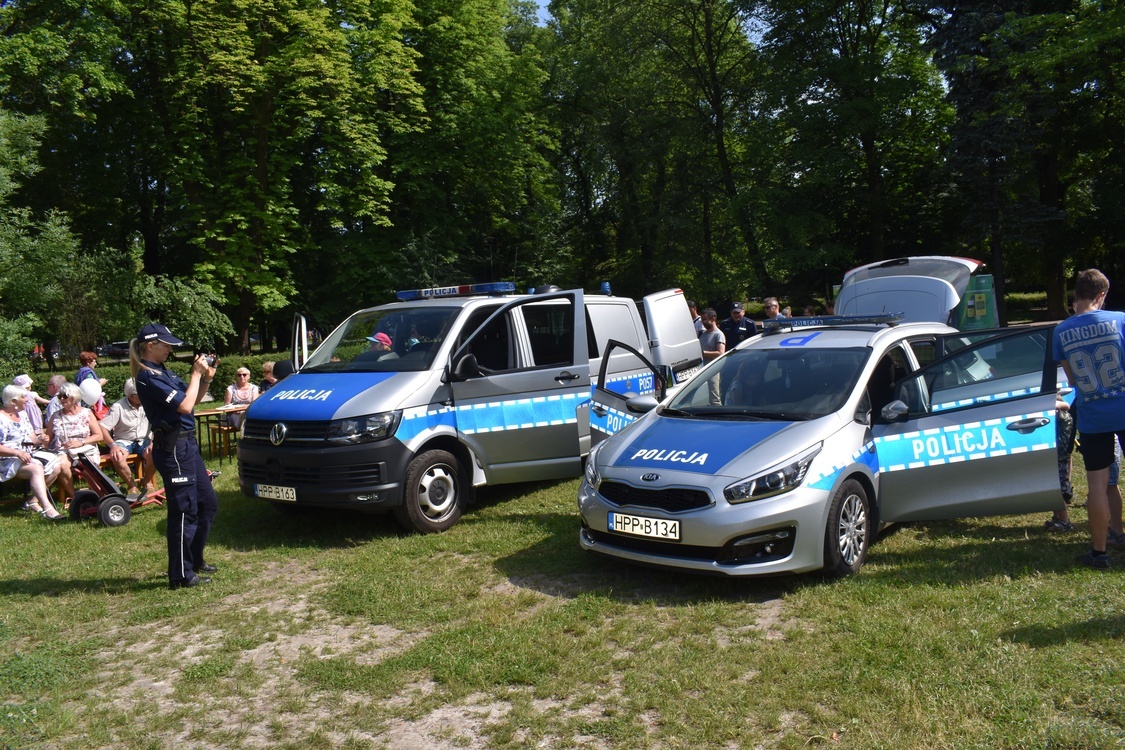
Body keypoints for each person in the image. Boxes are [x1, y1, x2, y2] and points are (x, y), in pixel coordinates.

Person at [132, 322, 219, 590]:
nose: (170, 350)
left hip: (187, 446)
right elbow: (184, 405)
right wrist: (195, 374)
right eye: (166, 345)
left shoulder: (163, 371)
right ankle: (180, 575)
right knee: (184, 510)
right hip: (174, 449)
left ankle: (193, 560)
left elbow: (193, 400)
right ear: (150, 345)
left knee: (207, 503)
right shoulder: (148, 377)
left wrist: (206, 378)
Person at [1051, 269, 1125, 569]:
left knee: (1096, 484)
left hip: (1093, 415)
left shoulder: (1060, 331)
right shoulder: (1120, 320)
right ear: (1101, 295)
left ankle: (1099, 553)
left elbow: (1071, 379)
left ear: (1076, 295)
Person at [0, 385, 65, 520]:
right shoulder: (1, 418)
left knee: (57, 466)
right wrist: (16, 453)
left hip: (26, 455)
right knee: (36, 468)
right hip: (6, 459)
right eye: (23, 397)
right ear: (13, 401)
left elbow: (32, 439)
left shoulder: (22, 414)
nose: (27, 399)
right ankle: (48, 509)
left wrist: (41, 439)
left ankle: (33, 501)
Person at [43, 382, 105, 503]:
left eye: (65, 396)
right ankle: (74, 498)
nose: (61, 399)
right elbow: (48, 438)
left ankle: (99, 496)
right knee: (62, 464)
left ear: (74, 397)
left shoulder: (86, 413)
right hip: (64, 450)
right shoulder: (56, 415)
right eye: (59, 396)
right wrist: (44, 439)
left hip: (85, 447)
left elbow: (99, 436)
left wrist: (80, 442)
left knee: (88, 465)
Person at [100, 378, 156, 502]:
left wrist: (152, 442)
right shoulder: (118, 406)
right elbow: (103, 427)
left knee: (156, 452)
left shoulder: (148, 404)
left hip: (144, 440)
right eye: (140, 394)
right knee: (117, 457)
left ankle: (146, 482)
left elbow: (157, 424)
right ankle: (132, 486)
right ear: (131, 396)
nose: (144, 395)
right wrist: (113, 445)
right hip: (124, 440)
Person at [699, 308, 726, 406]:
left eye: (705, 320)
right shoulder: (703, 334)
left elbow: (721, 353)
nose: (703, 322)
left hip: (714, 370)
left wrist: (703, 353)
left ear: (713, 319)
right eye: (702, 320)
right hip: (702, 369)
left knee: (714, 397)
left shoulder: (718, 334)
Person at [75, 351, 108, 418]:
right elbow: (91, 390)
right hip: (89, 404)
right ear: (88, 362)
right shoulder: (88, 373)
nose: (95, 363)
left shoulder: (80, 372)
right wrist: (102, 383)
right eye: (94, 361)